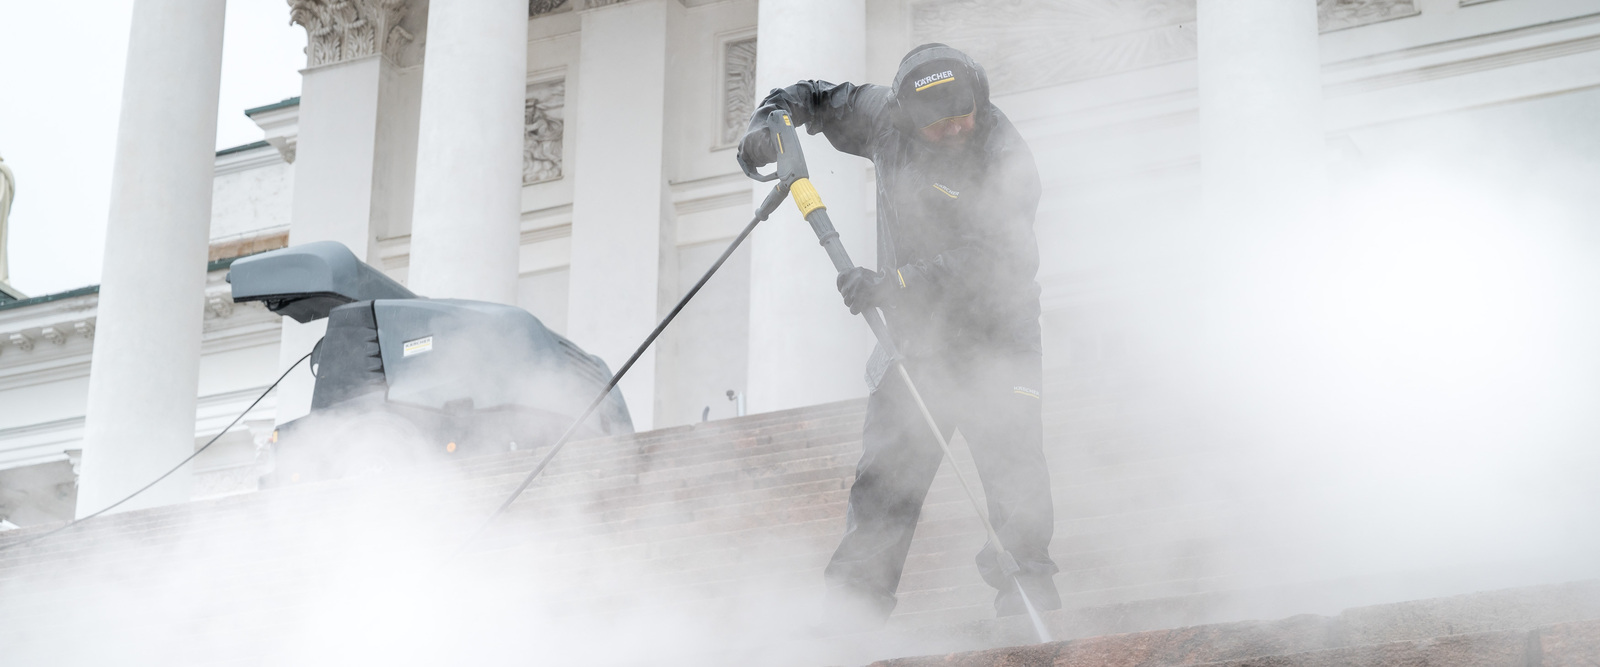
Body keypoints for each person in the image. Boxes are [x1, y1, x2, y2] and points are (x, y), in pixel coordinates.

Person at [738, 44, 1060, 630]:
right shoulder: (883, 115)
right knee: (884, 482)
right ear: (908, 116)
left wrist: (898, 283)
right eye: (940, 123)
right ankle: (849, 615)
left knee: (1015, 472)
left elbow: (1005, 258)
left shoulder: (1004, 153)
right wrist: (771, 118)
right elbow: (810, 98)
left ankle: (1027, 600)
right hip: (917, 342)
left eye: (964, 114)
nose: (957, 126)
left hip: (998, 339)